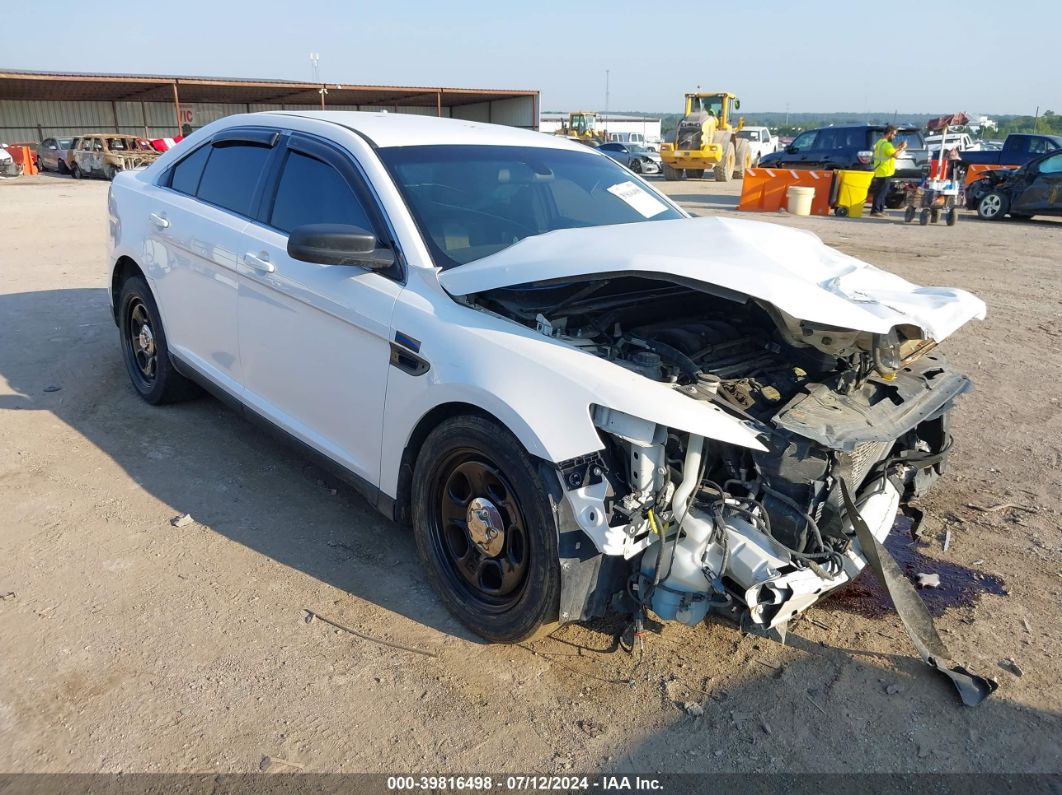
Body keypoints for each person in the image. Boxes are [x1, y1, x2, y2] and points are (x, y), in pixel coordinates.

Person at [869, 125, 907, 216]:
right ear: (889, 133)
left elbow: (891, 152)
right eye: (894, 134)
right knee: (881, 192)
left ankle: (880, 209)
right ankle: (876, 210)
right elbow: (895, 155)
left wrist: (897, 147)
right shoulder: (886, 145)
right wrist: (902, 148)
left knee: (882, 191)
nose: (894, 136)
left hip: (880, 170)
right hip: (885, 171)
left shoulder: (880, 142)